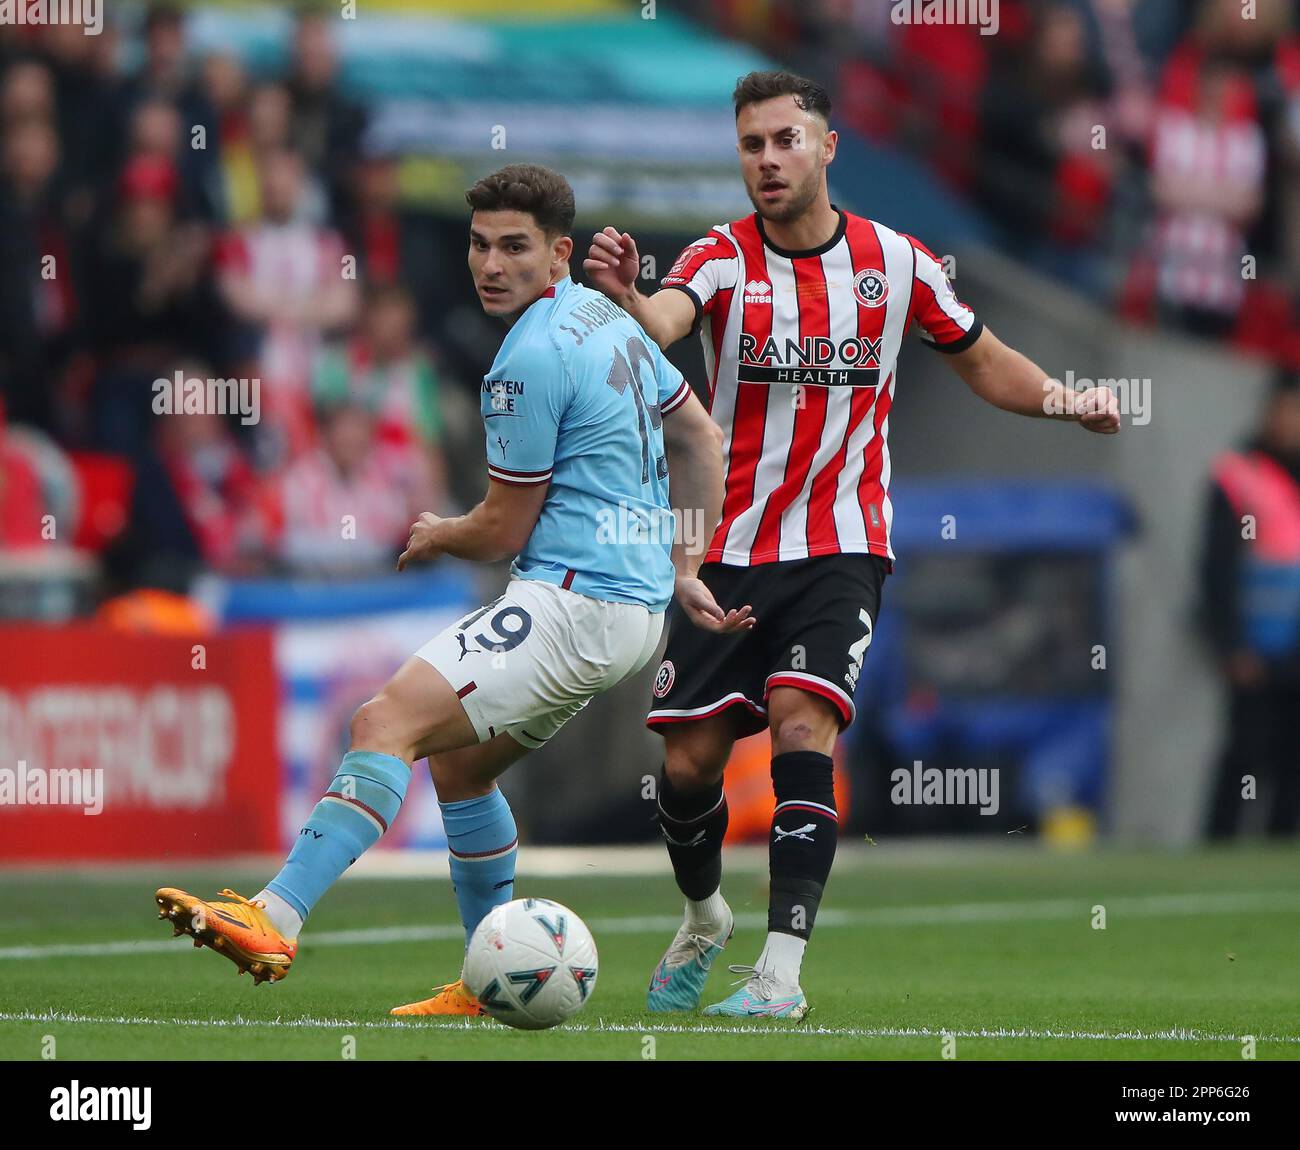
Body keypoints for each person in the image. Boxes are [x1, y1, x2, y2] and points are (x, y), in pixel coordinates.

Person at [584, 69, 1121, 1019]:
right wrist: (630, 298)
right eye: (751, 144)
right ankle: (705, 916)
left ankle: (780, 978)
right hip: (729, 549)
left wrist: (1067, 401)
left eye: (786, 139)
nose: (768, 159)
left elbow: (986, 362)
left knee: (802, 725)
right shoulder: (719, 258)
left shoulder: (897, 262)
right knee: (687, 769)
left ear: (828, 147)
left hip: (843, 545)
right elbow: (664, 322)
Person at [154, 164, 738, 1016]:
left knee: (382, 721)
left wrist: (436, 533)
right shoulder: (613, 322)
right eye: (477, 244)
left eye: (514, 247)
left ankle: (273, 915)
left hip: (572, 602)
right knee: (459, 767)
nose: (490, 264)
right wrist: (686, 564)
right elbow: (700, 436)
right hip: (629, 613)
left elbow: (500, 530)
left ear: (559, 253)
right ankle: (482, 982)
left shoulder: (527, 358)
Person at [1201, 370, 1300, 839]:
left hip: (1294, 647)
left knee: (1292, 757)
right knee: (1245, 751)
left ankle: (1281, 847)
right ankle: (1220, 844)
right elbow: (1216, 567)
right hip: (1254, 645)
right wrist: (1231, 643)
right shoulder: (1238, 475)